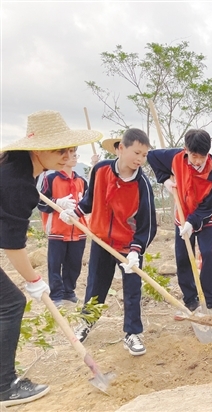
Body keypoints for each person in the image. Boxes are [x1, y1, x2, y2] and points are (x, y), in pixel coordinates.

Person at [0, 110, 101, 407]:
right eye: (59, 149)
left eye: (69, 149)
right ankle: (5, 386)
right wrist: (34, 280)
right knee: (12, 303)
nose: (66, 155)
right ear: (37, 148)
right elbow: (12, 243)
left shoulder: (17, 169)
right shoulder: (17, 181)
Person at [61, 128, 157, 357]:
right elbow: (90, 200)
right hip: (101, 239)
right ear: (121, 148)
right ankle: (86, 323)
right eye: (137, 152)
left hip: (128, 246)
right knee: (96, 284)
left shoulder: (142, 184)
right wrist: (76, 212)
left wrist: (136, 251)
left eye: (144, 155)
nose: (140, 159)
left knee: (132, 289)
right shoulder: (101, 170)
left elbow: (148, 224)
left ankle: (132, 333)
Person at [148, 129, 212, 314]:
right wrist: (165, 181)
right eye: (194, 156)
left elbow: (209, 204)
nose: (197, 161)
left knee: (207, 253)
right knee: (182, 257)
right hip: (181, 215)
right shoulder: (174, 157)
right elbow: (151, 157)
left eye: (202, 157)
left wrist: (193, 221)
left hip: (204, 217)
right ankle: (190, 299)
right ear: (186, 149)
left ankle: (210, 298)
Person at [37, 147, 88, 307]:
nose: (73, 157)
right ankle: (56, 295)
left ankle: (69, 292)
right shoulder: (50, 178)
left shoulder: (81, 181)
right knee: (55, 264)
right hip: (57, 230)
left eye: (75, 154)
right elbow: (40, 202)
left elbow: (88, 204)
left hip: (78, 230)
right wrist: (57, 202)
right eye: (70, 154)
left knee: (74, 264)